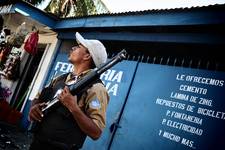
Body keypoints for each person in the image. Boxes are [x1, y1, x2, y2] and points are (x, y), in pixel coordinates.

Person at [28, 32, 109, 150]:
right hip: (38, 142)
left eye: (78, 47)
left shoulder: (96, 88)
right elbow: (39, 97)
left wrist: (73, 108)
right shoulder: (60, 78)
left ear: (87, 56)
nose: (73, 48)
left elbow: (96, 133)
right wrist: (34, 107)